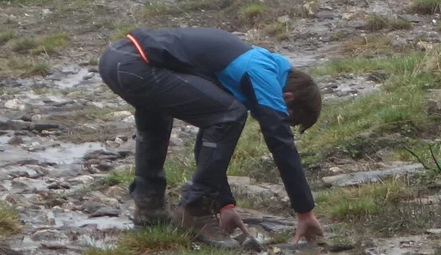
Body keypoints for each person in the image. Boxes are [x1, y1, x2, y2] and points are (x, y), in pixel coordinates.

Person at [97, 28, 323, 243]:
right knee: (231, 114)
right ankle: (195, 212)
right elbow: (281, 142)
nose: (281, 120)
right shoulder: (262, 72)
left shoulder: (251, 62)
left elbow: (210, 139)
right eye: (289, 117)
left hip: (116, 59)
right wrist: (304, 211)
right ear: (288, 98)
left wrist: (225, 205)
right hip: (135, 63)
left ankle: (149, 208)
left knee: (159, 121)